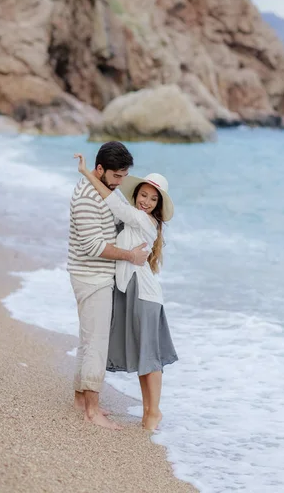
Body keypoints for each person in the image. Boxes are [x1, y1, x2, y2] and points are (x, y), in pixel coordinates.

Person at [75, 153, 178, 432]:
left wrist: (87, 174)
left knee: (150, 356)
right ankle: (148, 412)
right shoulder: (135, 216)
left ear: (158, 206)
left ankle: (154, 412)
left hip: (143, 294)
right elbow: (117, 202)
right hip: (131, 290)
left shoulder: (146, 222)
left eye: (153, 199)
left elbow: (114, 203)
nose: (146, 201)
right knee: (145, 354)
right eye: (143, 195)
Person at [68, 142, 149, 430]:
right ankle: (92, 410)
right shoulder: (87, 198)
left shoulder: (103, 190)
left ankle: (81, 399)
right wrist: (130, 255)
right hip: (91, 276)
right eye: (115, 176)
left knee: (89, 339)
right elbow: (93, 246)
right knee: (96, 344)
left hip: (97, 275)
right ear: (99, 169)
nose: (119, 183)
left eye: (123, 177)